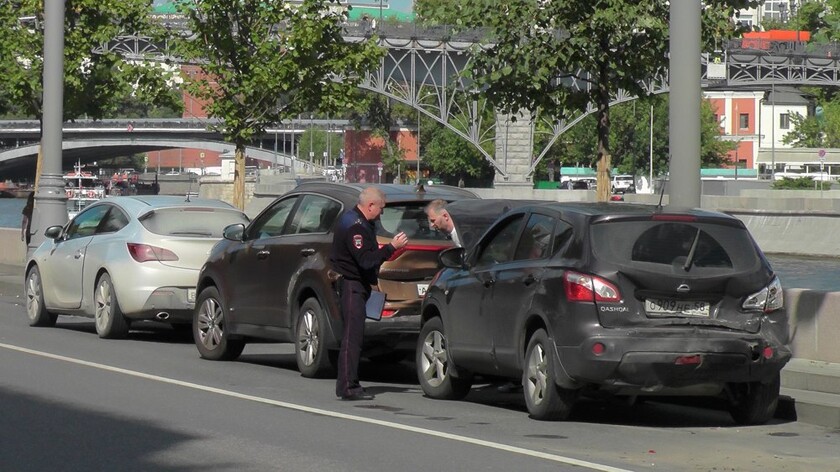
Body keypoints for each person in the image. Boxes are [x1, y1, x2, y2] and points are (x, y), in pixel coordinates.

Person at [330, 186, 408, 401]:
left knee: (355, 336)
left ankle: (349, 383)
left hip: (357, 285)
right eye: (380, 209)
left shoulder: (360, 221)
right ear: (370, 205)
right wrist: (392, 247)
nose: (381, 213)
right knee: (352, 338)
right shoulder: (356, 226)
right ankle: (348, 386)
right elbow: (366, 260)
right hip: (351, 285)